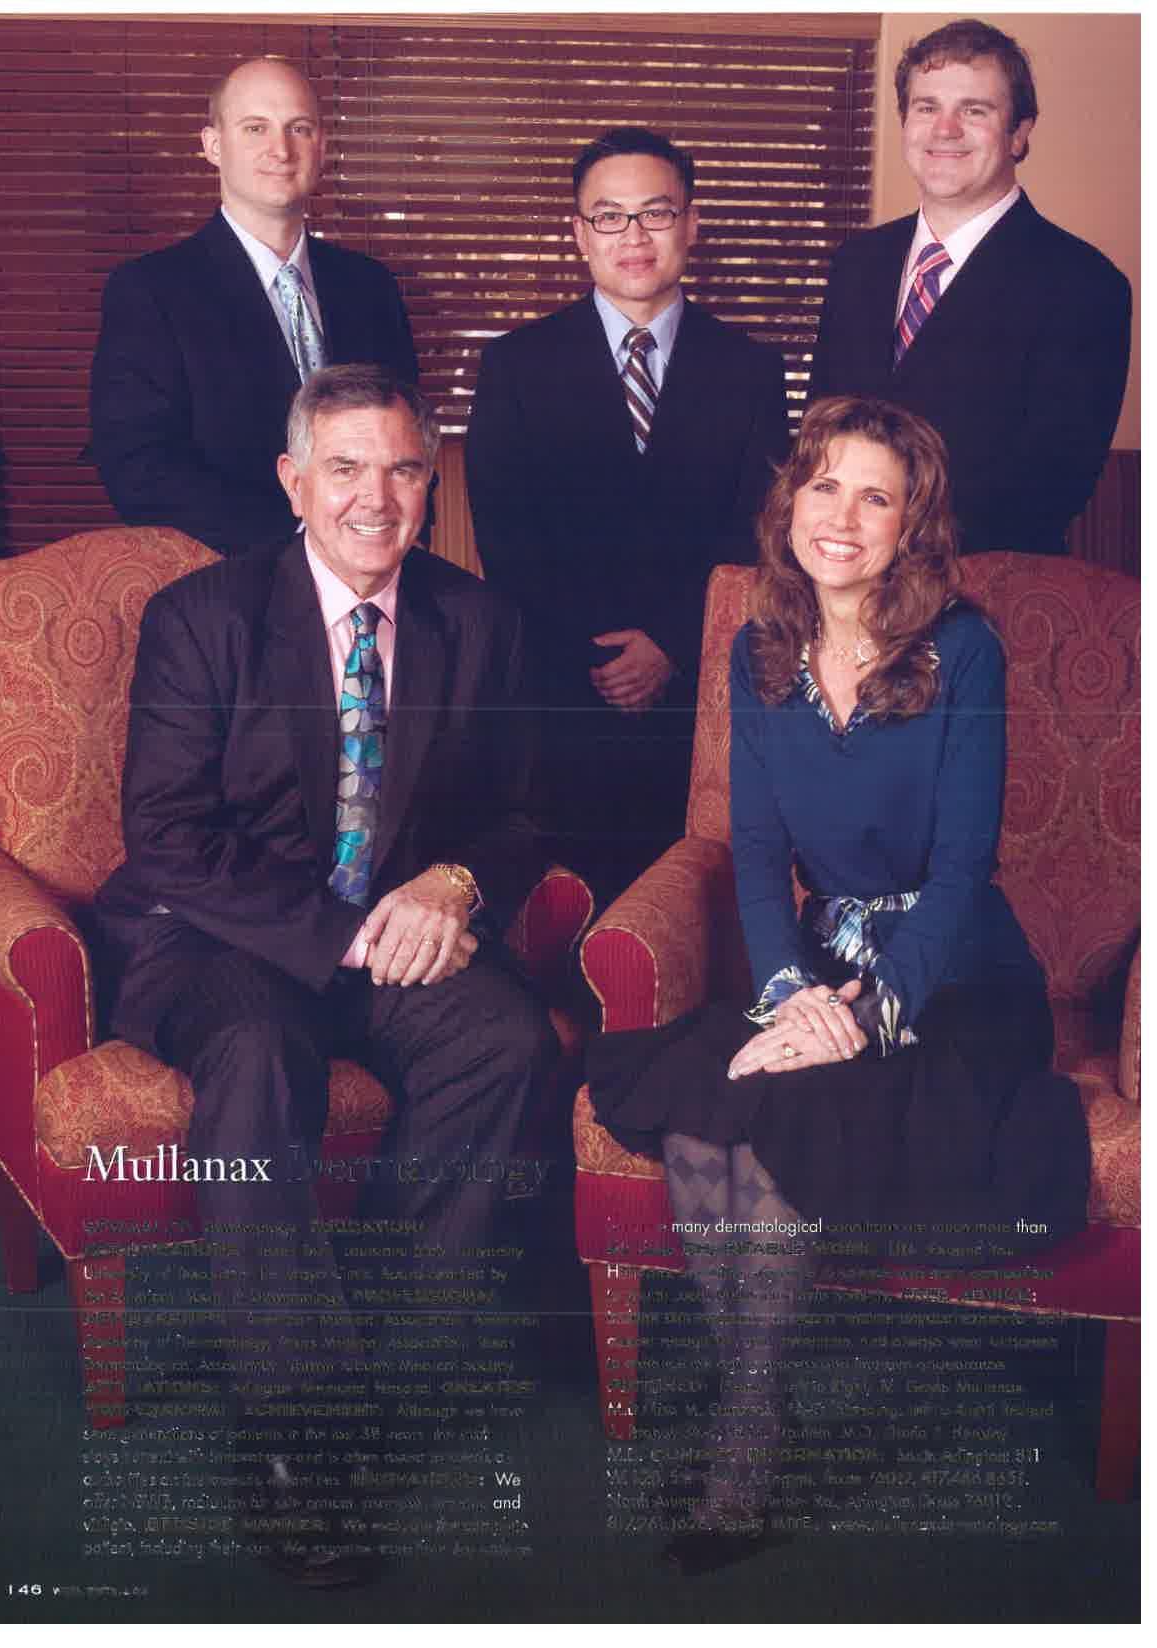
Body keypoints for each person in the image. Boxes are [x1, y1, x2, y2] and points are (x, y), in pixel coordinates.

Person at [587, 396, 1089, 1575]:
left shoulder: (962, 648)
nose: (844, 518)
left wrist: (863, 1019)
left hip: (954, 973)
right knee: (707, 1107)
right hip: (818, 961)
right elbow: (758, 853)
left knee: (791, 1107)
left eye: (877, 496)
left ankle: (745, 1445)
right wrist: (789, 992)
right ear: (790, 500)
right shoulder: (755, 647)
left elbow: (962, 868)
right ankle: (761, 1403)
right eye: (825, 486)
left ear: (913, 524)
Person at [90, 365, 557, 1586]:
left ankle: (383, 1374)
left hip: (400, 928)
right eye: (345, 467)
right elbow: (166, 836)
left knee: (508, 1040)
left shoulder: (482, 622)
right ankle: (295, 1431)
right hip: (217, 935)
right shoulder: (203, 616)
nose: (374, 497)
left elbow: (521, 814)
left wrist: (456, 881)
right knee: (257, 1057)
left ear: (431, 486)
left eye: (402, 469)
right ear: (294, 481)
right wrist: (346, 935)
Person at [466, 126, 788, 906]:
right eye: (610, 216)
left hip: (699, 686)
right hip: (561, 687)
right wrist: (600, 655)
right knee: (559, 895)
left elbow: (759, 529)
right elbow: (507, 537)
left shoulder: (749, 368)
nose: (634, 237)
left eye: (656, 213)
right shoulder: (516, 364)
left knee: (691, 899)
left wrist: (670, 646)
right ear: (579, 233)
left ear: (691, 224)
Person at [809, 18, 1130, 556]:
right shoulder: (857, 263)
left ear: (1020, 133)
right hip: (840, 575)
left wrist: (891, 551)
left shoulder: (1085, 285)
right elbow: (822, 434)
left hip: (983, 586)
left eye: (974, 110)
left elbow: (1050, 487)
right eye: (927, 107)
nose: (945, 129)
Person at [89, 57, 418, 557]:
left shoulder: (370, 287)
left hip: (377, 568)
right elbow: (139, 469)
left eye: (299, 128)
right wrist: (303, 548)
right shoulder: (151, 291)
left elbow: (409, 438)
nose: (280, 150)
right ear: (213, 145)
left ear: (321, 146)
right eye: (255, 128)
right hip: (232, 574)